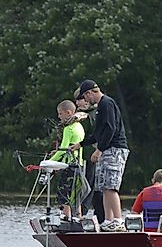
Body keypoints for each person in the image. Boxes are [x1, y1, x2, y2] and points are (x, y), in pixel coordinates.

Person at [68, 79, 129, 232]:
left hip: (114, 149)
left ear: (89, 93)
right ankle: (108, 220)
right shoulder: (100, 107)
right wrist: (81, 144)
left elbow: (110, 128)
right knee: (103, 187)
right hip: (106, 150)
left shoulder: (106, 103)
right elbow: (98, 133)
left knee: (111, 186)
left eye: (85, 97)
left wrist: (99, 150)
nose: (86, 101)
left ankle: (118, 220)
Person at [49, 99, 85, 221]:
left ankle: (66, 217)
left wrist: (50, 162)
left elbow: (63, 149)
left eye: (60, 114)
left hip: (69, 166)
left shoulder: (68, 129)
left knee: (63, 192)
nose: (59, 117)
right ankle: (78, 217)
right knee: (75, 193)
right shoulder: (79, 126)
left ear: (68, 113)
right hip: (79, 164)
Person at [73, 87, 104, 223]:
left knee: (91, 185)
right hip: (81, 155)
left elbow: (96, 132)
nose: (80, 103)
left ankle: (88, 213)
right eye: (77, 100)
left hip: (92, 154)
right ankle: (79, 213)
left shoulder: (95, 113)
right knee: (82, 184)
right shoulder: (78, 115)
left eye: (82, 99)